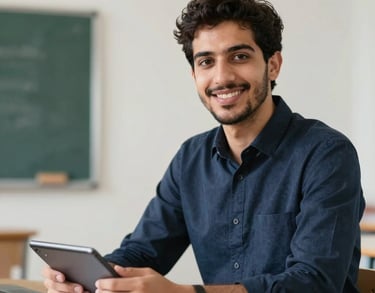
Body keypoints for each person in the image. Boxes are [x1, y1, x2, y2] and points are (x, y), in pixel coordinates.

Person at [43, 0, 365, 292]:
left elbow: (314, 282)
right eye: (206, 62)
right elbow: (143, 252)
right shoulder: (191, 159)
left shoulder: (326, 154)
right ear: (194, 73)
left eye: (239, 56)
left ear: (273, 65)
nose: (222, 77)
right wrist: (86, 277)